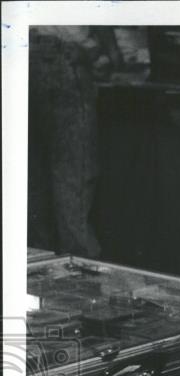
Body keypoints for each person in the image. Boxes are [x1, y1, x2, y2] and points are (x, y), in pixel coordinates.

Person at [28, 26, 121, 257]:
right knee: (72, 190)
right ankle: (79, 285)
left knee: (34, 199)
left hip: (22, 54)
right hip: (63, 59)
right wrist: (111, 52)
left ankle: (38, 284)